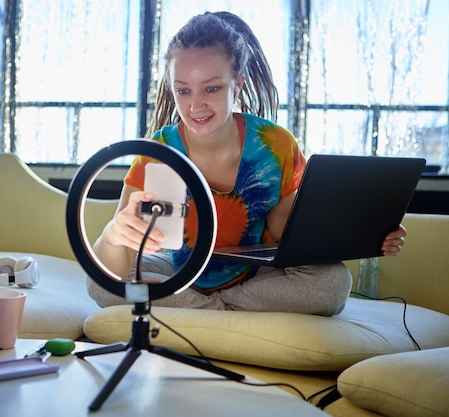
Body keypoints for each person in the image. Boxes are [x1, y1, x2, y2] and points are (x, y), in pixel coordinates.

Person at [88, 11, 407, 316]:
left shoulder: (275, 144)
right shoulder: (157, 151)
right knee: (99, 285)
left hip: (255, 277)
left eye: (211, 88)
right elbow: (113, 265)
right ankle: (225, 314)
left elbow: (286, 231)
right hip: (178, 270)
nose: (195, 104)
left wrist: (365, 233)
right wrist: (115, 235)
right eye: (183, 90)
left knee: (332, 283)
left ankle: (203, 312)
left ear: (237, 84)